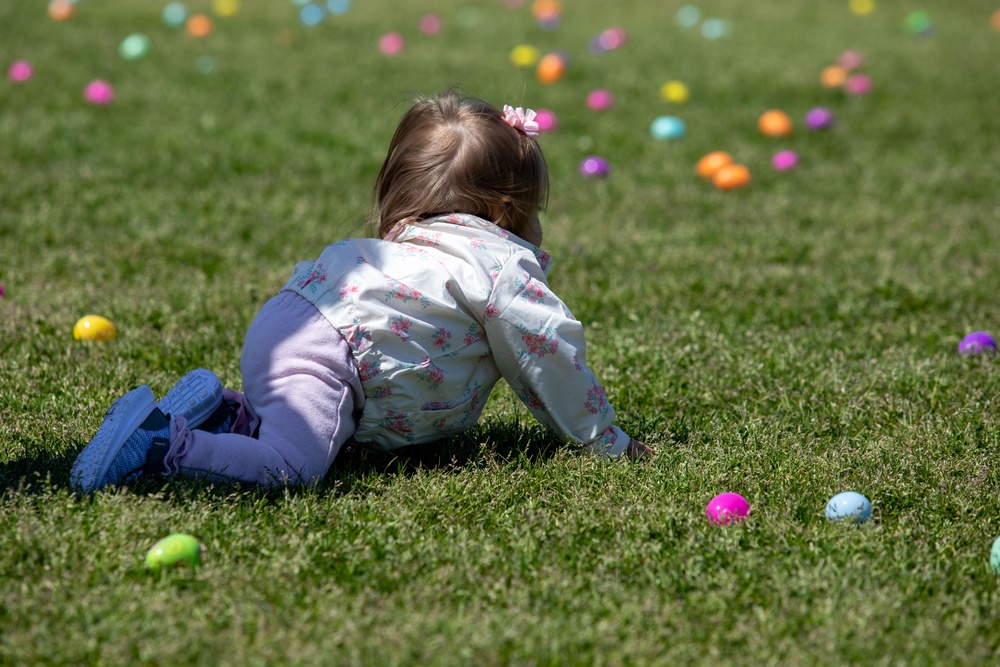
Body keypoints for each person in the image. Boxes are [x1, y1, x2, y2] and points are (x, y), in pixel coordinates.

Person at [70, 91, 653, 493]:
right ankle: (161, 445)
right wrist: (603, 440)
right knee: (291, 469)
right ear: (507, 211)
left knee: (302, 428)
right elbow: (547, 350)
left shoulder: (411, 243)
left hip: (294, 320)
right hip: (334, 352)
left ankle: (229, 415)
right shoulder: (498, 263)